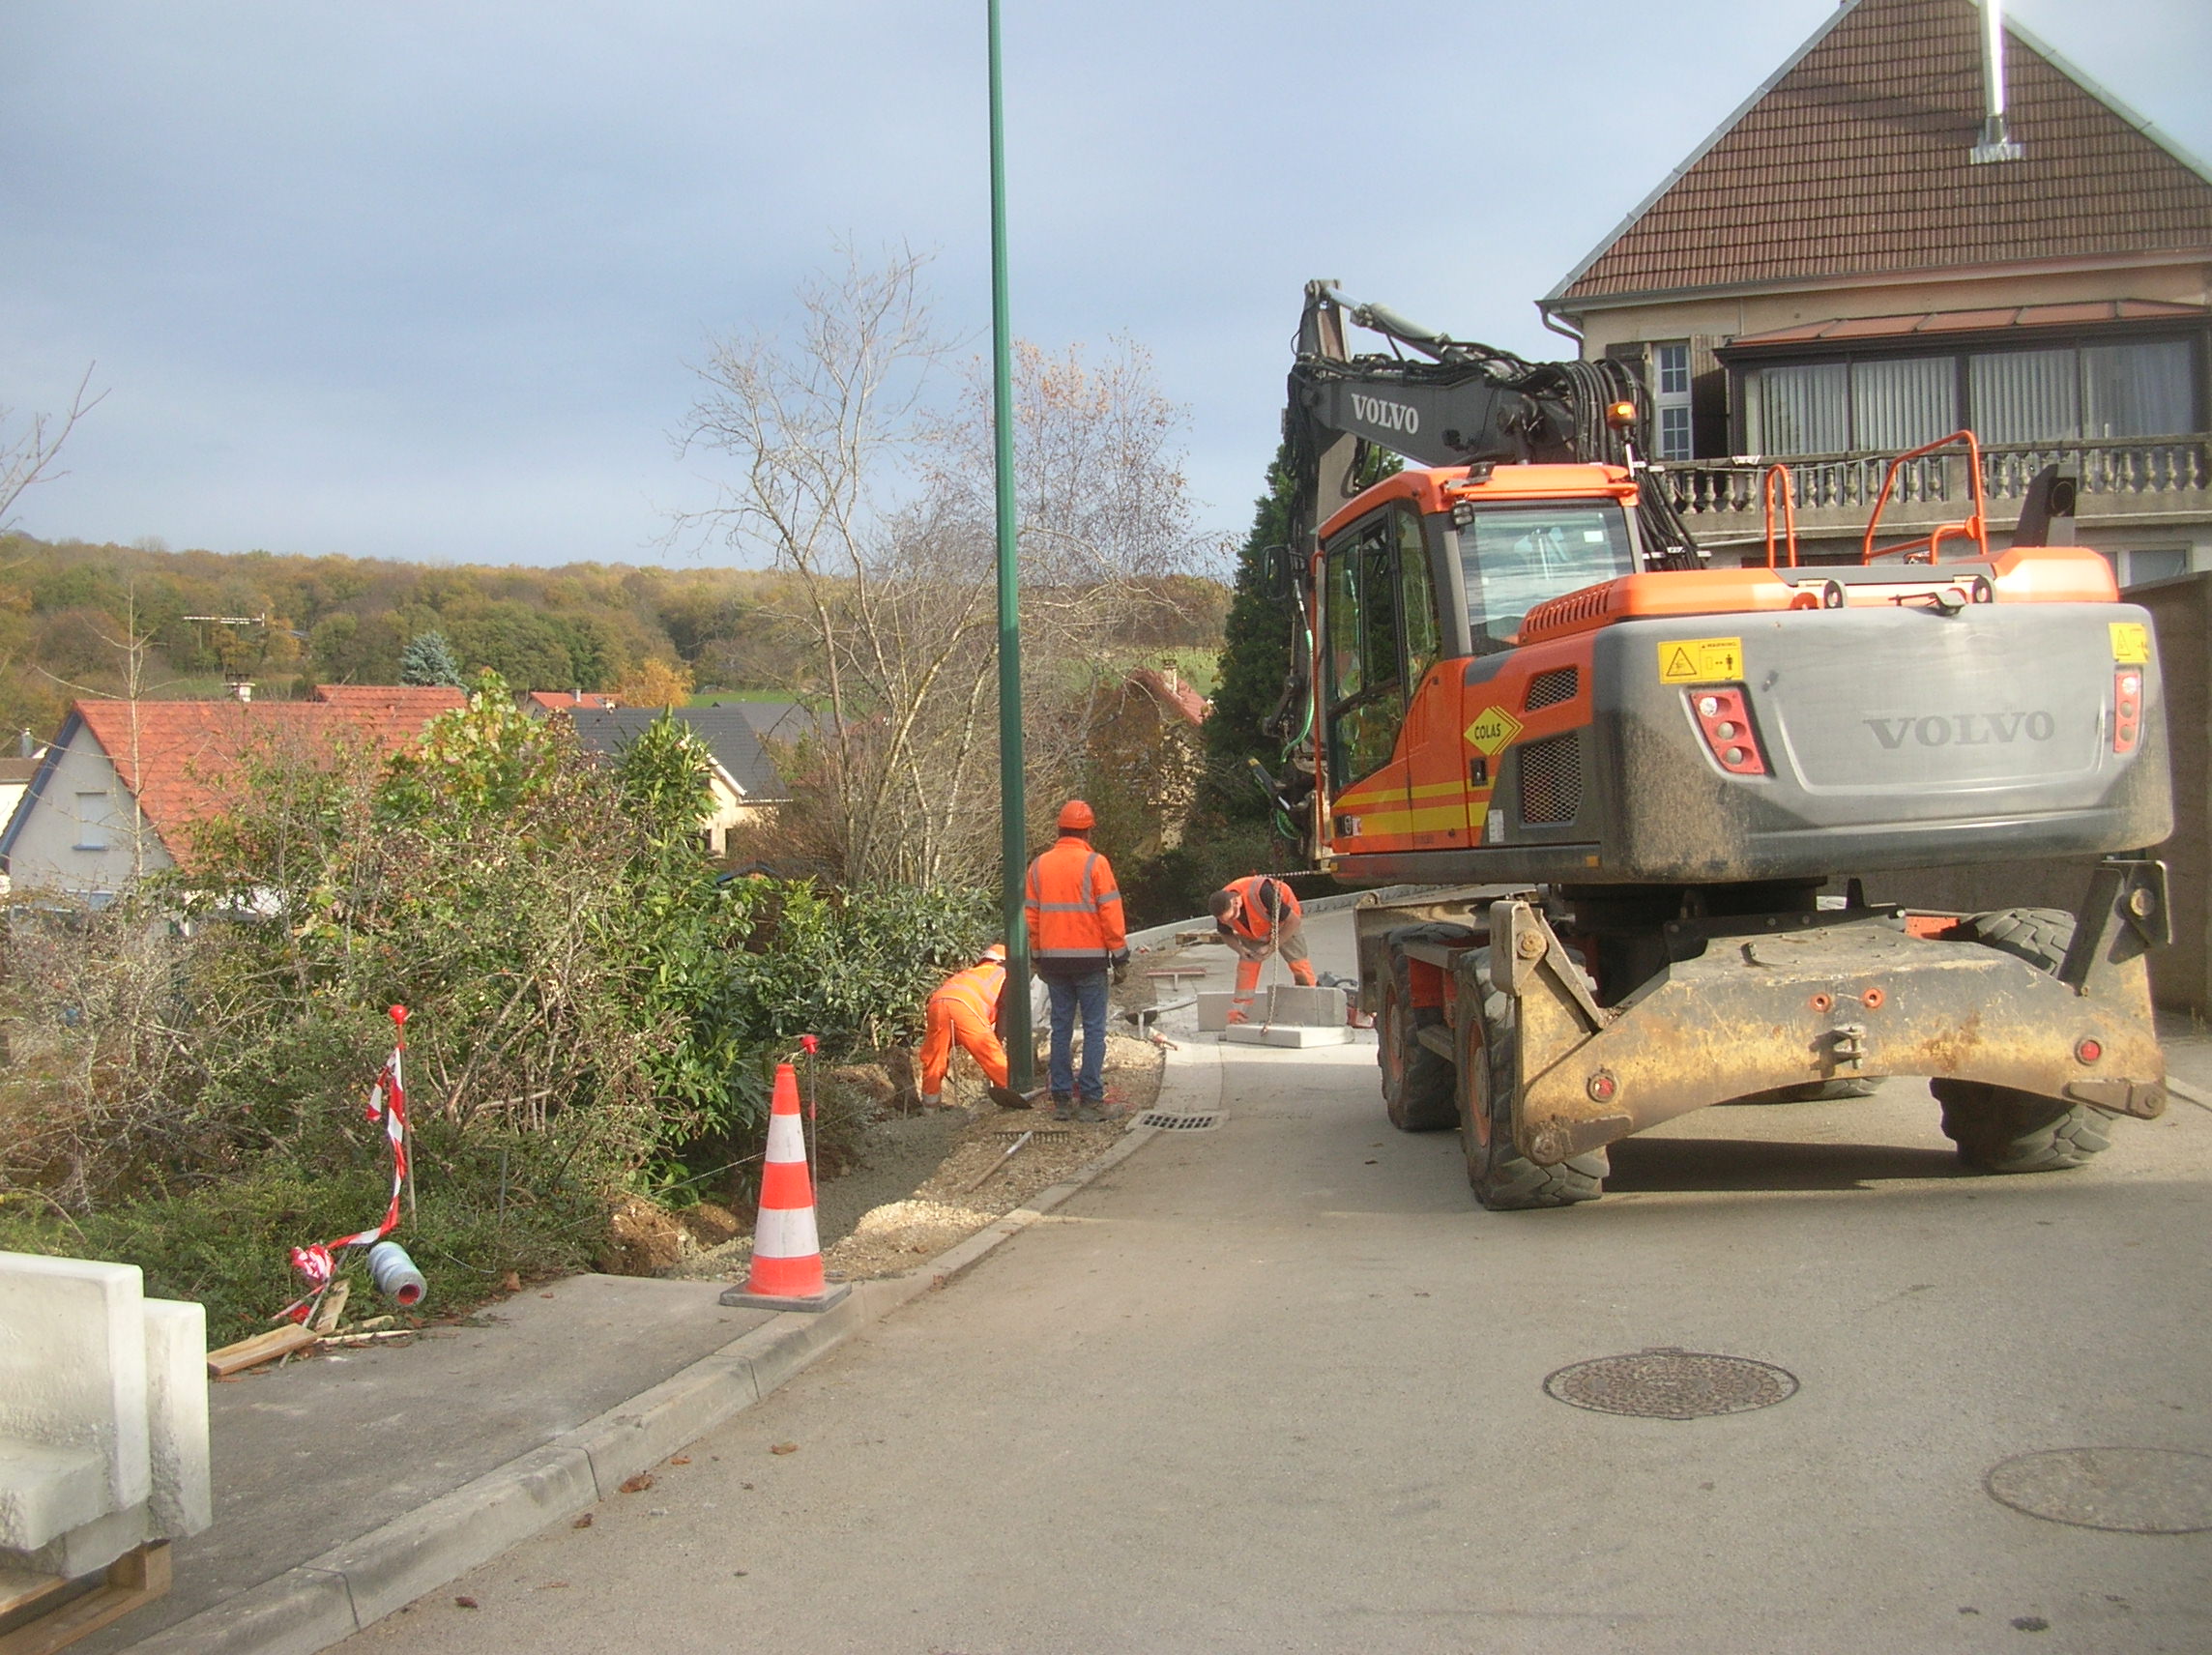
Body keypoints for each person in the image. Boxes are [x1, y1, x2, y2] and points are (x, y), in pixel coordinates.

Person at [1023, 798, 1127, 1121]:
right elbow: (1110, 913)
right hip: (1090, 960)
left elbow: (1033, 918)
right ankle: (1092, 1101)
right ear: (1088, 832)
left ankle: (1062, 1100)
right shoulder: (1096, 864)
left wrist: (1038, 956)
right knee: (1094, 1029)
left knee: (1060, 1029)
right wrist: (1120, 954)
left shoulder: (1039, 865)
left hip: (1054, 961)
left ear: (1060, 829)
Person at [916, 943, 1009, 1110]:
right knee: (991, 1055)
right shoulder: (1004, 974)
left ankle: (930, 1110)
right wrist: (998, 1039)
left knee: (934, 1058)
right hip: (965, 1007)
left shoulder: (969, 973)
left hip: (937, 1003)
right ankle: (1013, 1095)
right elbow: (1005, 1009)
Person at [1210, 874, 1316, 1020]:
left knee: (1298, 963)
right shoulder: (1222, 905)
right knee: (1247, 964)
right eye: (1226, 920)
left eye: (1232, 917)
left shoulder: (1262, 892)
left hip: (1286, 924)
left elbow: (1293, 922)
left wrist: (1271, 947)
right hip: (1255, 930)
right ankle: (1239, 1013)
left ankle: (1313, 1007)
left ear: (1235, 902)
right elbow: (1225, 934)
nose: (1231, 921)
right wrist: (1240, 950)